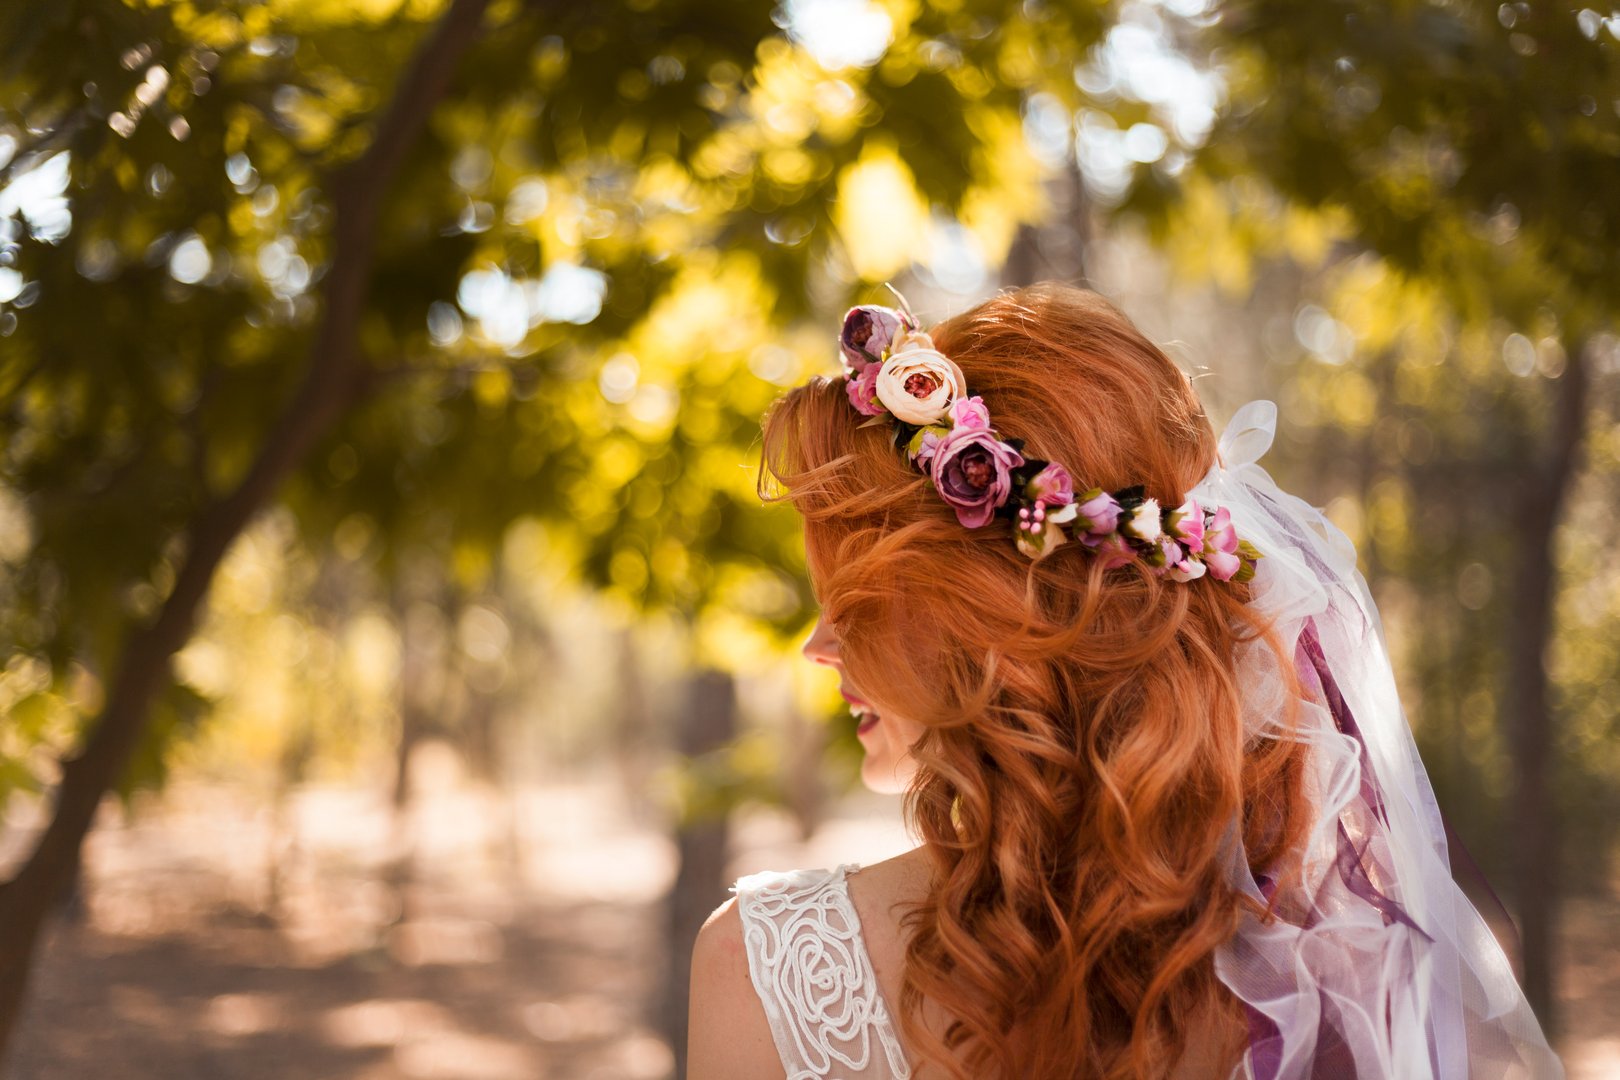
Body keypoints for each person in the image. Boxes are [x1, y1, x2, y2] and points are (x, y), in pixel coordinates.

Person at [686, 282, 1562, 1079]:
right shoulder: (1343, 964)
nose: (818, 644)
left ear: (993, 618)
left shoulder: (767, 973)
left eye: (856, 601)